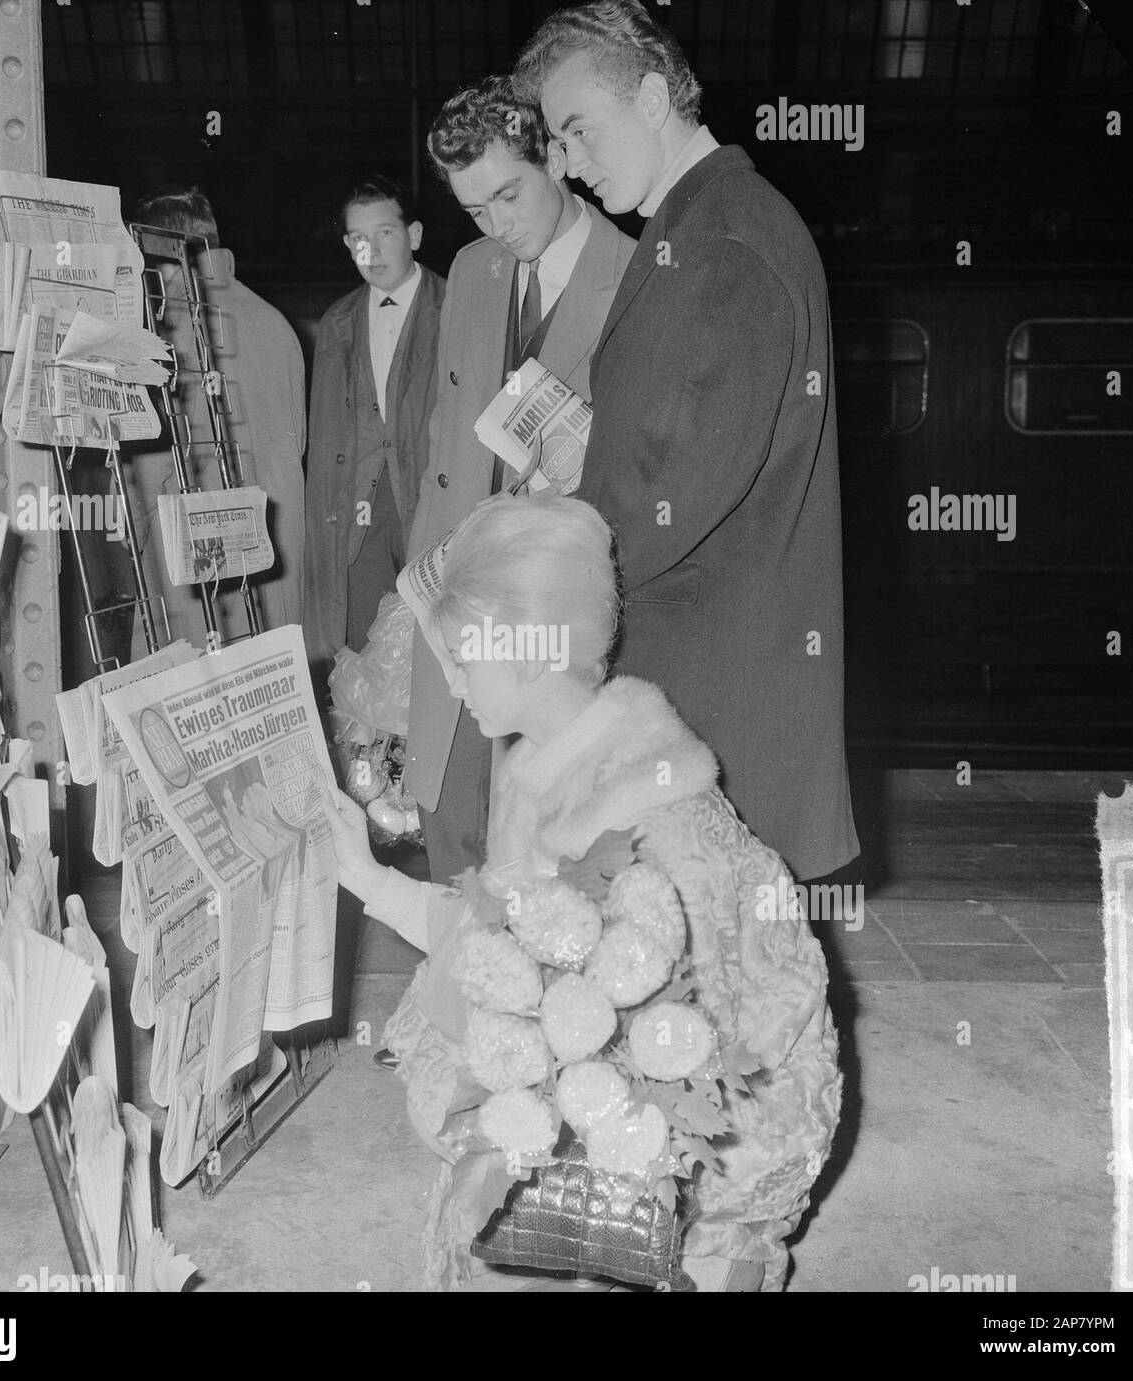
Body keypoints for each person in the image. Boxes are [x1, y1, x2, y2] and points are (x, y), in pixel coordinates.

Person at [324, 493, 840, 1292]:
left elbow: (715, 1041)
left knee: (495, 1210)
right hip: (609, 1057)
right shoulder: (551, 754)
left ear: (528, 652)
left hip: (710, 1123)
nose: (453, 682)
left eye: (464, 656)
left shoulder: (647, 814)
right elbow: (503, 935)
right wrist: (370, 879)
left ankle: (705, 1260)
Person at [513, 1, 859, 885]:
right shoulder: (692, 224)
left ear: (658, 96)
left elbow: (682, 482)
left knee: (711, 992)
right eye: (556, 141)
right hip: (703, 665)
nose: (567, 163)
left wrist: (547, 575)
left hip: (713, 686)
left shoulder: (727, 240)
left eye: (579, 130)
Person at [404, 75, 635, 888]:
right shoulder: (472, 271)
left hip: (551, 618)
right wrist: (414, 599)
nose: (498, 226)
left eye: (509, 195)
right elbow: (443, 437)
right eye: (476, 210)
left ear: (560, 160)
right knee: (451, 828)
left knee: (545, 858)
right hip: (459, 610)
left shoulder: (639, 275)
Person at [124, 186, 307, 652]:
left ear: (161, 252)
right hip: (274, 563)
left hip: (198, 574)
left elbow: (151, 474)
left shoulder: (172, 335)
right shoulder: (277, 322)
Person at [303, 176, 445, 683]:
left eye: (385, 232)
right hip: (356, 521)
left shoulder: (457, 308)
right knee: (364, 656)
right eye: (359, 237)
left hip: (429, 510)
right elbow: (322, 445)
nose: (372, 249)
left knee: (435, 653)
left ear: (415, 235)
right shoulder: (336, 321)